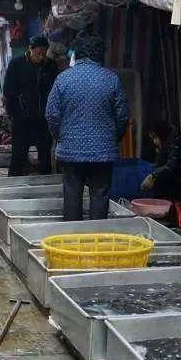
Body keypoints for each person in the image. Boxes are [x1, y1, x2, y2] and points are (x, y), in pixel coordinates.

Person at [46, 32, 130, 221]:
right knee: (100, 196)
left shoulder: (63, 79)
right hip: (103, 152)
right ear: (100, 54)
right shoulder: (111, 79)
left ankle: (72, 243)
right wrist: (112, 138)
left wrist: (61, 137)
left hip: (70, 151)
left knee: (72, 196)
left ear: (77, 53)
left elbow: (51, 114)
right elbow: (123, 115)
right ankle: (97, 242)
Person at [3, 35, 59, 176]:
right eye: (38, 53)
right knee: (18, 156)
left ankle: (45, 190)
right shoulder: (16, 64)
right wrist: (13, 114)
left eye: (44, 53)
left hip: (43, 120)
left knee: (45, 157)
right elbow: (8, 91)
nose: (41, 57)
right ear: (30, 49)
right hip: (22, 119)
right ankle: (12, 187)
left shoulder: (51, 66)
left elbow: (55, 91)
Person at [140, 121, 181, 201]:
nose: (154, 142)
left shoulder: (177, 142)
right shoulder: (167, 145)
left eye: (155, 138)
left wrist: (154, 176)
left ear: (162, 135)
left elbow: (173, 166)